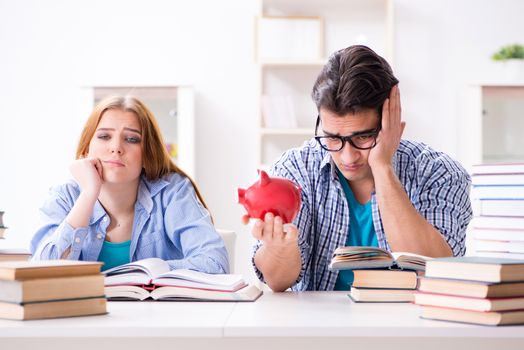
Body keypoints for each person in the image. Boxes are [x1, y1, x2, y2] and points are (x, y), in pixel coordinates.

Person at [244, 45, 473, 292]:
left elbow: (435, 270)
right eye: (333, 138)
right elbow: (278, 282)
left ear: (392, 123)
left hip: (409, 326)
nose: (347, 155)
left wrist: (382, 166)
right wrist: (280, 249)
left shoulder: (439, 173)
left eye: (363, 138)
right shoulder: (296, 169)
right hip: (321, 326)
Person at [31, 95, 229, 273]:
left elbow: (215, 264)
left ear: (147, 155)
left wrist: (147, 271)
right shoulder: (64, 196)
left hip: (160, 314)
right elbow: (39, 274)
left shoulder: (172, 193)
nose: (116, 147)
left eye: (132, 139)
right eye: (104, 136)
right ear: (86, 150)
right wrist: (88, 194)